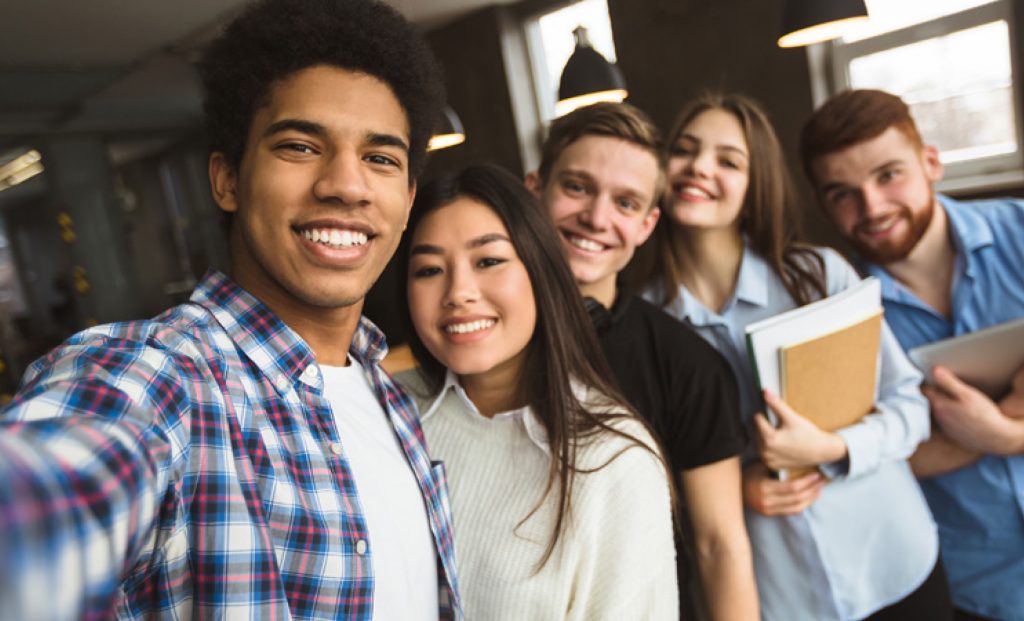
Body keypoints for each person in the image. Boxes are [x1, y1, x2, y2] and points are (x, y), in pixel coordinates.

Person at [0, 1, 461, 619]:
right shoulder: (158, 378)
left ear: (405, 201)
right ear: (227, 181)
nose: (346, 185)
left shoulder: (392, 399)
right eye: (299, 146)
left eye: (380, 158)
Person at [635, 92, 950, 620]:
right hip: (782, 598)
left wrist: (834, 446)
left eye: (728, 160)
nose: (699, 169)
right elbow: (647, 486)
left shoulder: (819, 275)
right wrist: (733, 488)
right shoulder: (643, 324)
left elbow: (909, 406)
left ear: (754, 185)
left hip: (896, 565)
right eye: (685, 151)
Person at [396, 164, 677, 619]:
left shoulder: (613, 459)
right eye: (429, 269)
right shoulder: (387, 412)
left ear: (541, 269)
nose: (459, 292)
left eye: (488, 261)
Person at [524, 102, 757, 621]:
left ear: (649, 223)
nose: (597, 218)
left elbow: (720, 546)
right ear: (534, 189)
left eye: (626, 203)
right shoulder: (475, 335)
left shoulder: (690, 364)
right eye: (578, 187)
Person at [800, 88, 1024, 621]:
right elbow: (869, 456)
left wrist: (1001, 433)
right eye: (842, 193)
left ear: (931, 162)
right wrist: (1003, 424)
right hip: (972, 588)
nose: (872, 208)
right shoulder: (835, 314)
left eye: (888, 175)